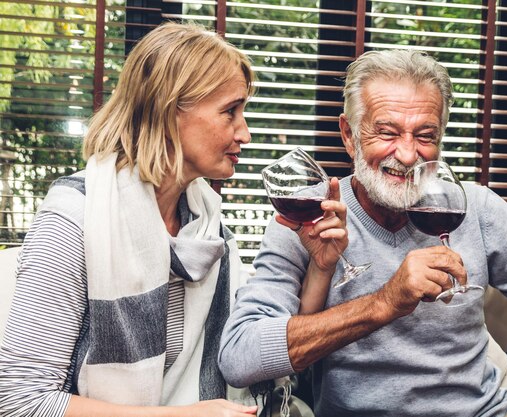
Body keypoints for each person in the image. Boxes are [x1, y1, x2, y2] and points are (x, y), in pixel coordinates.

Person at [218, 49, 507, 417]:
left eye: (425, 136)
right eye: (388, 132)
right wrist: (385, 302)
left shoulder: (475, 209)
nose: (409, 154)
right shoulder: (309, 218)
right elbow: (240, 356)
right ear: (348, 134)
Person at [0, 22, 347, 417]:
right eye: (230, 112)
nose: (245, 133)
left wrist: (321, 268)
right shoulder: (73, 218)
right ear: (170, 109)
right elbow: (20, 399)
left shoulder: (207, 230)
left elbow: (260, 361)